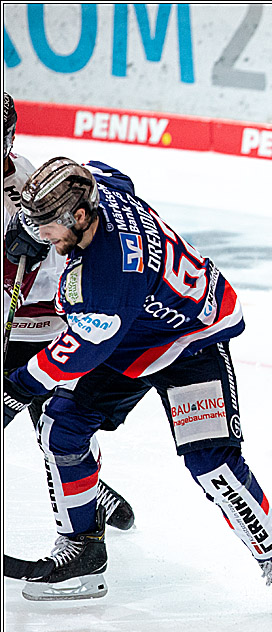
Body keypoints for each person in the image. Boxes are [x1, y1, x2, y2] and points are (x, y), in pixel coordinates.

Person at [2, 156, 272, 606]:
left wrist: (16, 388)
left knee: (212, 464)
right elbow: (106, 169)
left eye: (47, 227)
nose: (43, 236)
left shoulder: (107, 277)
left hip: (191, 340)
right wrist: (31, 228)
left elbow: (78, 352)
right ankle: (84, 550)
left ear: (80, 216)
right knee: (60, 428)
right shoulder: (97, 192)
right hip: (133, 338)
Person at [3, 91, 136, 535]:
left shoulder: (30, 178)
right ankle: (89, 492)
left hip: (46, 314)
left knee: (51, 417)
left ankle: (85, 493)